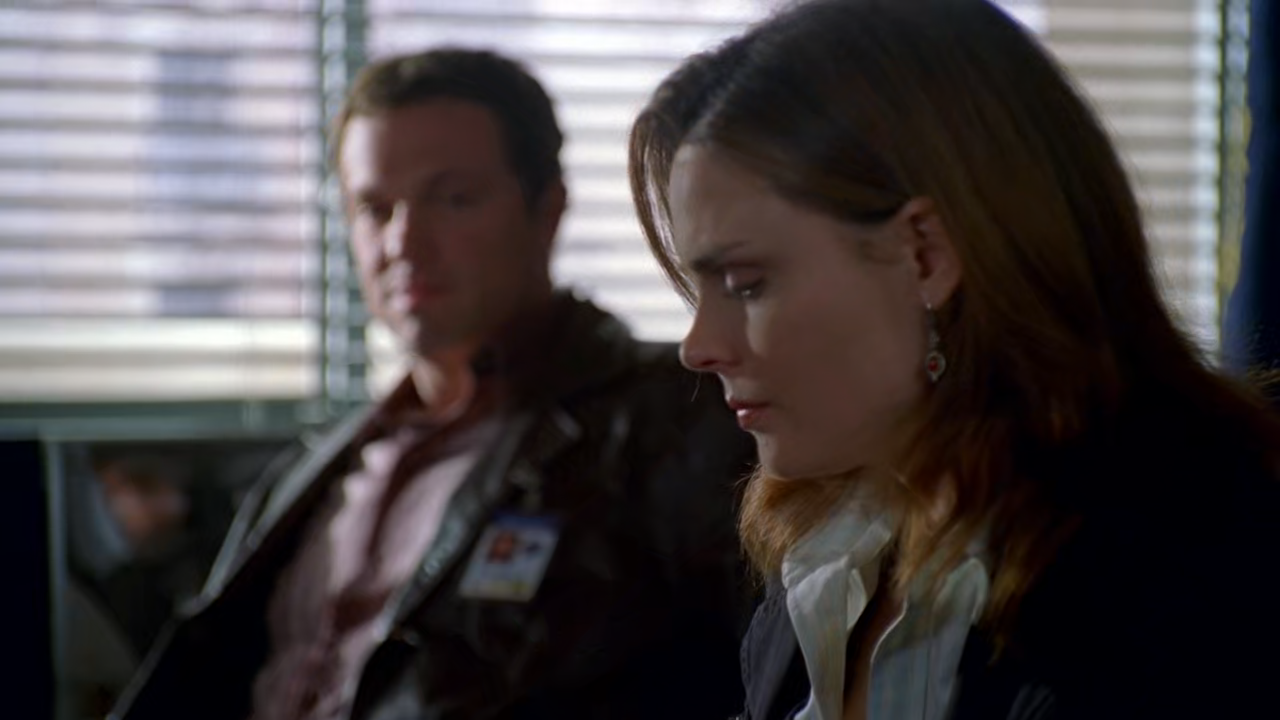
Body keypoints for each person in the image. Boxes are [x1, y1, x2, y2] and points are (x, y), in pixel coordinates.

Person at [628, 1, 1280, 718]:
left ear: (925, 257)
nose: (698, 346)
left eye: (746, 283)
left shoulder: (1205, 573)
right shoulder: (827, 558)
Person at [112, 47, 755, 720]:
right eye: (374, 208)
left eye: (452, 199)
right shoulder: (316, 468)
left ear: (547, 210)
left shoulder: (675, 419)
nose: (403, 242)